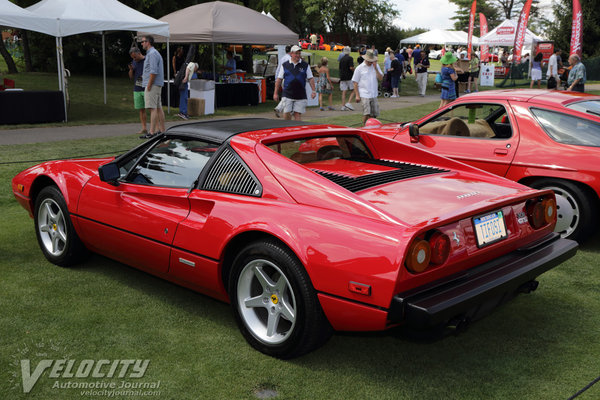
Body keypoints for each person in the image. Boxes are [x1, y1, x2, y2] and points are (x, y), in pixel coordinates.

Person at [273, 45, 316, 121]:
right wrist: (275, 93)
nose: (298, 55)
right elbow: (279, 79)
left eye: (299, 53)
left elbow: (310, 78)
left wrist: (313, 91)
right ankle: (288, 128)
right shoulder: (285, 65)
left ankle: (297, 130)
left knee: (297, 113)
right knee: (286, 112)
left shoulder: (305, 65)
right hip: (287, 93)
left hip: (300, 94)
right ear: (291, 54)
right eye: (296, 53)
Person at [140, 35, 165, 139]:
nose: (141, 43)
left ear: (148, 42)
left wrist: (149, 84)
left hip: (153, 84)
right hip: (156, 84)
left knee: (153, 108)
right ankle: (161, 130)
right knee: (158, 108)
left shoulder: (152, 54)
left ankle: (151, 132)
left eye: (143, 41)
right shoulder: (152, 53)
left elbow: (153, 71)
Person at [352, 49, 383, 125]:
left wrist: (376, 68)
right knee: (367, 112)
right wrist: (357, 95)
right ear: (365, 59)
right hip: (364, 93)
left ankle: (373, 127)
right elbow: (355, 82)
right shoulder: (359, 68)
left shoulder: (376, 66)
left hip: (373, 93)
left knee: (374, 114)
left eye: (372, 61)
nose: (371, 62)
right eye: (369, 61)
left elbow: (381, 78)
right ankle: (364, 126)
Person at [128, 47, 147, 136]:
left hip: (147, 88)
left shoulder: (147, 60)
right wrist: (131, 70)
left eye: (135, 57)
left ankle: (154, 128)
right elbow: (131, 77)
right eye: (132, 57)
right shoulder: (134, 62)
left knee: (152, 109)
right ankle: (144, 128)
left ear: (139, 53)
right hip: (137, 88)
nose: (134, 59)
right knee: (141, 109)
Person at [273, 45, 292, 118]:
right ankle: (282, 109)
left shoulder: (282, 58)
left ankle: (279, 108)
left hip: (281, 79)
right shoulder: (290, 59)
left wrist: (276, 79)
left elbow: (278, 69)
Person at [339, 46, 356, 111]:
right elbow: (351, 67)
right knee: (354, 89)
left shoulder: (342, 59)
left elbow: (340, 68)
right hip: (349, 76)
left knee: (344, 91)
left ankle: (343, 106)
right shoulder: (350, 58)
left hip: (342, 77)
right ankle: (348, 102)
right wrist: (355, 71)